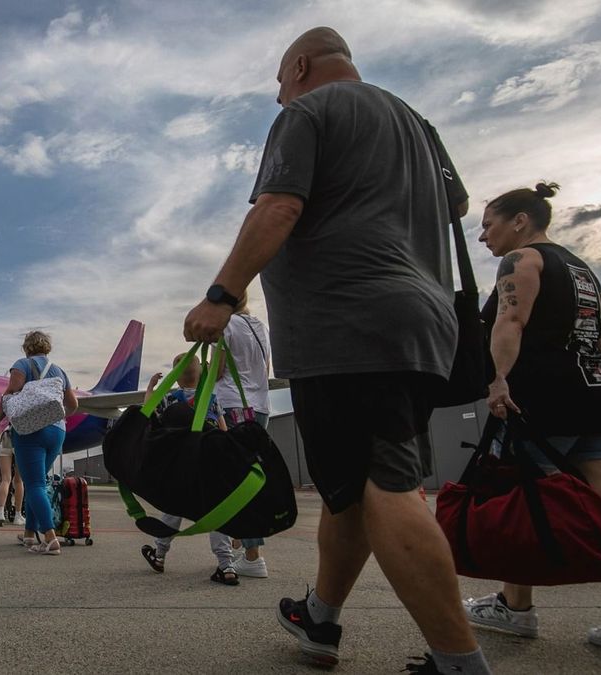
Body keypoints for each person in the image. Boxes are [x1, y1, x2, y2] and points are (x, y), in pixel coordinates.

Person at [182, 27, 488, 673]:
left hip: (350, 321)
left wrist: (222, 293)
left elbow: (279, 206)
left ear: (297, 65)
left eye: (277, 82)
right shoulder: (418, 123)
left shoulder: (310, 110)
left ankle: (460, 660)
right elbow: (456, 204)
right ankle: (320, 617)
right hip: (422, 322)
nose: (277, 96)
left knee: (388, 485)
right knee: (351, 487)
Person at [463, 182, 601, 659]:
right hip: (599, 391)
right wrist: (600, 387)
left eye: (489, 225)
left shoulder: (522, 261)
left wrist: (499, 380)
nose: (484, 237)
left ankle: (515, 607)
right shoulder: (581, 269)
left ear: (520, 221)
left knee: (519, 498)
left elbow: (511, 321)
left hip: (543, 398)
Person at [139, 353, 238, 585]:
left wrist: (151, 387)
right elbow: (224, 432)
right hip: (210, 463)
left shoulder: (171, 399)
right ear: (201, 374)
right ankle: (227, 565)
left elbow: (148, 410)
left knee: (174, 509)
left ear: (175, 378)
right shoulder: (212, 399)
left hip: (182, 464)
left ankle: (160, 554)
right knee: (217, 512)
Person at [0, 330, 79, 555]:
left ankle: (50, 538)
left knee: (33, 485)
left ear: (27, 347)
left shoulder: (22, 365)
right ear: (47, 347)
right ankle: (28, 535)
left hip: (29, 431)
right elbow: (72, 404)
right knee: (39, 484)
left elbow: (8, 396)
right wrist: (56, 417)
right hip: (56, 430)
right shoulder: (59, 370)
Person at [215, 293, 273, 579]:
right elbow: (266, 370)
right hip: (260, 405)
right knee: (252, 476)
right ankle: (245, 545)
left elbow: (218, 370)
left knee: (237, 481)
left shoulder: (227, 326)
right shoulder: (260, 326)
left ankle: (253, 555)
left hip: (235, 404)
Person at [0, 422, 25, 527]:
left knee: (5, 479)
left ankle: (0, 512)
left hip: (4, 437)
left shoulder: (6, 410)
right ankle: (17, 515)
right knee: (18, 480)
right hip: (20, 438)